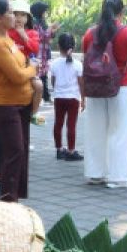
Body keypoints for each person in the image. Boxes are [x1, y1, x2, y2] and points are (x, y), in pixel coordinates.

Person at [82, 0, 127, 189]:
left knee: (96, 130)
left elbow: (87, 60)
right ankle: (118, 177)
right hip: (122, 86)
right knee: (121, 132)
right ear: (121, 12)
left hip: (95, 87)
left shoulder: (90, 33)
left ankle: (95, 173)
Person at [0, 0, 38, 202]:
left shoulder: (8, 39)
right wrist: (33, 69)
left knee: (21, 151)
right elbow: (17, 75)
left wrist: (28, 69)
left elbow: (21, 66)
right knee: (14, 151)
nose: (15, 17)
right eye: (11, 13)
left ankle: (15, 197)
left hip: (21, 102)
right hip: (5, 104)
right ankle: (7, 200)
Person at [6, 0, 44, 114]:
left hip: (27, 69)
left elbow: (35, 48)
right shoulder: (7, 32)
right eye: (15, 14)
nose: (19, 18)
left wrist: (23, 35)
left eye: (23, 15)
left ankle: (34, 113)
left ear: (28, 18)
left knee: (38, 86)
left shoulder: (32, 33)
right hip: (8, 69)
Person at [52, 32, 84, 160]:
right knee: (71, 125)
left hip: (59, 97)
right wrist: (84, 99)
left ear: (59, 46)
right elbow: (81, 84)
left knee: (58, 124)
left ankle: (59, 149)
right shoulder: (78, 64)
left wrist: (57, 90)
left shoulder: (54, 63)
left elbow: (53, 81)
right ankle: (71, 151)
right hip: (73, 98)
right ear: (73, 46)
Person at [30, 0, 55, 101]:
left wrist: (52, 31)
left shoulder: (41, 21)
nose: (45, 13)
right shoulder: (34, 22)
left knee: (43, 73)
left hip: (43, 52)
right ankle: (38, 95)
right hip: (37, 52)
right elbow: (40, 36)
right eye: (44, 11)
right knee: (37, 73)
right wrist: (50, 30)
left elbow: (48, 37)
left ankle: (45, 95)